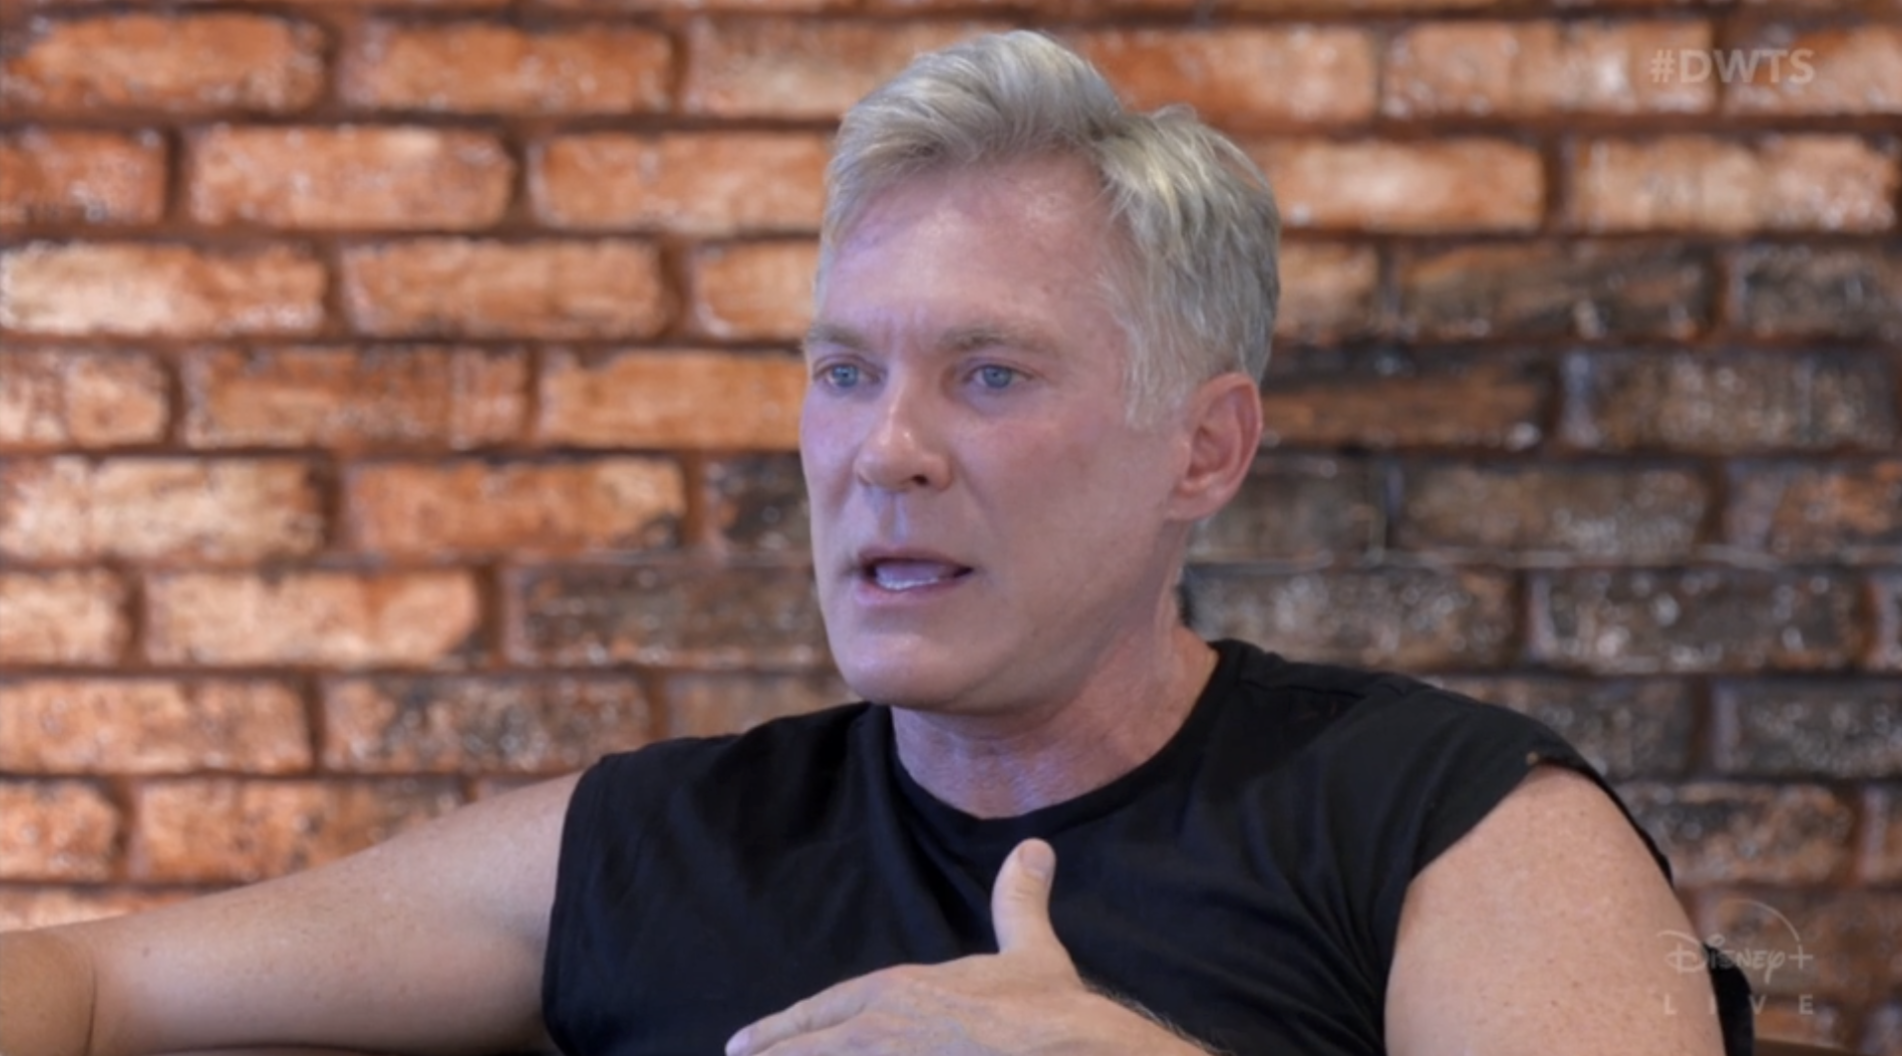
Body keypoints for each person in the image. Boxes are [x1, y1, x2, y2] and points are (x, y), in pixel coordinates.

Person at [0, 30, 1747, 1056]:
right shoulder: (655, 845)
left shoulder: (1455, 823)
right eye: (845, 371)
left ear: (1202, 448)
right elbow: (82, 981)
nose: (882, 450)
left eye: (989, 374)